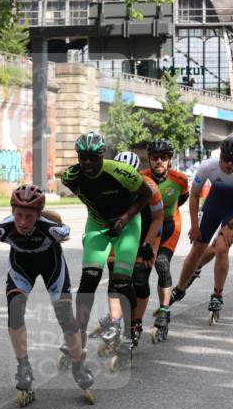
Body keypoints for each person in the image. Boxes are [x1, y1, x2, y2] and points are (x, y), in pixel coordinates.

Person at [60, 132, 156, 368]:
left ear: (102, 155)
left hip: (128, 224)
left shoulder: (121, 172)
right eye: (83, 158)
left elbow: (146, 195)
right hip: (98, 225)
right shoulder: (70, 177)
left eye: (93, 158)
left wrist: (123, 219)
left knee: (122, 281)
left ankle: (129, 332)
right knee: (88, 280)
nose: (88, 163)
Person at [0, 184, 92, 406]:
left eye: (29, 217)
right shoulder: (2, 231)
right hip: (22, 269)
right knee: (15, 311)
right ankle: (23, 366)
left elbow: (66, 230)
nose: (22, 222)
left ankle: (78, 364)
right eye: (18, 215)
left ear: (38, 216)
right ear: (12, 212)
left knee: (65, 316)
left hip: (52, 267)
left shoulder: (52, 230)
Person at [170, 137, 233, 325]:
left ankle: (217, 294)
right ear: (220, 156)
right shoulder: (207, 166)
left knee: (221, 248)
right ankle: (180, 287)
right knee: (197, 248)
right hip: (214, 205)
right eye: (225, 159)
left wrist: (231, 225)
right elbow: (194, 195)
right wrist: (194, 225)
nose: (228, 164)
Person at [93, 150, 163, 365]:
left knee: (139, 281)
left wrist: (147, 244)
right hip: (121, 231)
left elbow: (159, 217)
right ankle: (115, 322)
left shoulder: (149, 186)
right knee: (117, 279)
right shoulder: (108, 184)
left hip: (146, 233)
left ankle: (136, 324)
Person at [142, 138, 189, 342]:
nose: (159, 161)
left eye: (163, 158)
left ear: (170, 160)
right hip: (148, 226)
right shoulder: (140, 177)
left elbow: (183, 198)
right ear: (149, 160)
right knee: (140, 269)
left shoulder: (180, 180)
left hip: (170, 223)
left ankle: (164, 309)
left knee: (162, 263)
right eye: (155, 158)